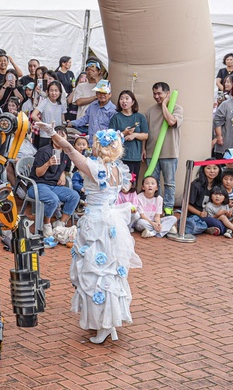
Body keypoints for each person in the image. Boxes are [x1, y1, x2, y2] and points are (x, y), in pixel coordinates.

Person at [42, 124, 142, 344]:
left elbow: (69, 149)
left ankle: (104, 325)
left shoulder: (97, 168)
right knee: (110, 271)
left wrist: (51, 133)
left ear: (100, 147)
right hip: (110, 223)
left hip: (96, 222)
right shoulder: (117, 169)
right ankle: (109, 323)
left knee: (96, 273)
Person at [30, 126, 81, 239]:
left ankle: (60, 224)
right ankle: (46, 224)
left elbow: (66, 168)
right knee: (53, 199)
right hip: (38, 185)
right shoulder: (44, 151)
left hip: (54, 186)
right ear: (52, 137)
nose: (59, 138)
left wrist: (62, 173)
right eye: (57, 135)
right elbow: (38, 173)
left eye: (62, 136)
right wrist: (48, 163)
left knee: (74, 196)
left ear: (66, 138)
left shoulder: (66, 152)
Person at [144, 81, 183, 215]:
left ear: (167, 94)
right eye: (154, 94)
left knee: (169, 183)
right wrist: (144, 149)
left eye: (159, 93)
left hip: (170, 153)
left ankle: (168, 207)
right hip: (151, 152)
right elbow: (146, 132)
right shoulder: (149, 110)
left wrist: (165, 105)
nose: (156, 96)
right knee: (153, 183)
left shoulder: (177, 108)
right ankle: (155, 208)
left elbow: (171, 122)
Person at [108, 90, 148, 183]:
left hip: (135, 156)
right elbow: (110, 137)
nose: (124, 101)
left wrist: (135, 135)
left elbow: (145, 135)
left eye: (127, 98)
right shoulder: (116, 117)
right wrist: (124, 133)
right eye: (121, 99)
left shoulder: (140, 117)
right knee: (120, 183)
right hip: (119, 157)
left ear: (133, 102)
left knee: (132, 183)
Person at [31, 81, 66, 148]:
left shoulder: (61, 104)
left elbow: (62, 119)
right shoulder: (45, 102)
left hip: (57, 135)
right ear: (47, 92)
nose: (54, 93)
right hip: (46, 135)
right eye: (51, 90)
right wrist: (43, 125)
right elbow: (33, 115)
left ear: (60, 92)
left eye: (56, 91)